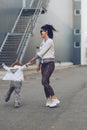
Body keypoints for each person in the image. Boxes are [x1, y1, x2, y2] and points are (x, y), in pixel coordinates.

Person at [29, 24, 60, 108]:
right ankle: (48, 99)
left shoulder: (50, 41)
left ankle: (54, 98)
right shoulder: (43, 42)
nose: (40, 33)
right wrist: (38, 65)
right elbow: (41, 55)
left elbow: (41, 53)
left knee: (44, 81)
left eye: (41, 31)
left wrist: (32, 59)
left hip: (50, 63)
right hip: (43, 64)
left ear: (46, 32)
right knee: (46, 82)